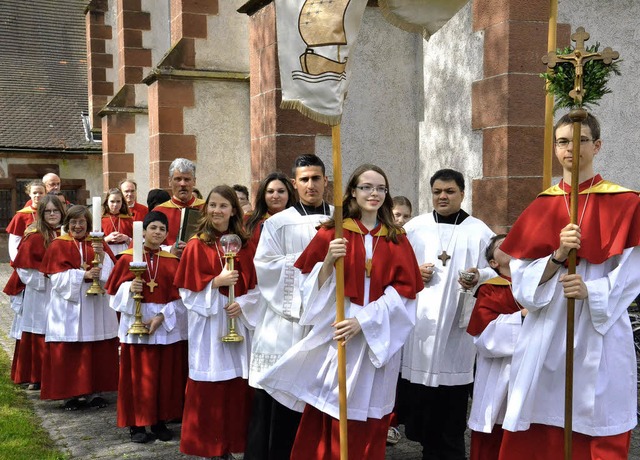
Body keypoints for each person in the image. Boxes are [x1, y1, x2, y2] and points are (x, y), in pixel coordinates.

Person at [498, 113, 640, 459]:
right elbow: (522, 280)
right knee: (541, 425)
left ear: (597, 145)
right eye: (562, 141)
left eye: (580, 140)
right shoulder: (542, 205)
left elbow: (634, 269)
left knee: (595, 423)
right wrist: (558, 255)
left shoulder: (627, 202)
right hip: (548, 330)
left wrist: (593, 291)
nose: (570, 148)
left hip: (598, 328)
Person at [259, 164, 423, 459]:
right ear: (352, 192)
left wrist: (363, 320)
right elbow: (307, 287)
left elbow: (406, 295)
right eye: (366, 187)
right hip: (338, 335)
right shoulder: (331, 233)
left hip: (376, 337)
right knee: (333, 409)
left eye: (380, 188)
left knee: (370, 414)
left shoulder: (397, 238)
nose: (373, 193)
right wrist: (326, 262)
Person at [400, 168, 495, 460]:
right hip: (420, 330)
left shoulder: (479, 230)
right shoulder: (414, 228)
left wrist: (479, 274)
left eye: (450, 191)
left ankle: (450, 453)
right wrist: (413, 273)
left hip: (457, 330)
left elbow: (499, 268)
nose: (443, 196)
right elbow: (393, 267)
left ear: (462, 194)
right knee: (420, 411)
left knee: (451, 408)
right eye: (438, 191)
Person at [244, 154, 333, 460]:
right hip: (286, 325)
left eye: (316, 178)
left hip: (325, 325)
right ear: (295, 183)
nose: (311, 185)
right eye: (304, 179)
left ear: (325, 180)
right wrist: (312, 268)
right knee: (277, 405)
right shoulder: (279, 223)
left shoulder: (341, 219)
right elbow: (266, 268)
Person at [174, 185, 260, 459]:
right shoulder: (197, 245)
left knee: (237, 383)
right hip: (209, 325)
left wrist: (244, 305)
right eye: (212, 205)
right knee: (211, 383)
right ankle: (210, 446)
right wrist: (215, 283)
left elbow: (258, 288)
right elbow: (187, 293)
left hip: (238, 319)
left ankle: (235, 443)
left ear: (234, 209)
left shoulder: (245, 246)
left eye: (223, 206)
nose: (217, 211)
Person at [105, 211, 188, 444]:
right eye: (153, 228)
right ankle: (137, 423)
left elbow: (181, 299)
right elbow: (112, 295)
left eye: (162, 229)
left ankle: (160, 420)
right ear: (143, 231)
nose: (158, 232)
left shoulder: (172, 261)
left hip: (163, 327)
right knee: (138, 377)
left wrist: (161, 317)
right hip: (135, 326)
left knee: (163, 376)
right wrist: (129, 289)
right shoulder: (126, 259)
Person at [39, 205, 119, 410]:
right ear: (67, 223)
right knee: (70, 349)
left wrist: (101, 259)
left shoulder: (98, 243)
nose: (77, 225)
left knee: (96, 347)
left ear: (88, 223)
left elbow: (111, 273)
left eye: (81, 221)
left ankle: (96, 392)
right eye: (73, 222)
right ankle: (70, 394)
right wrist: (83, 275)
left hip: (95, 305)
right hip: (69, 306)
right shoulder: (58, 245)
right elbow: (55, 278)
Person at [466, 234, 527, 460]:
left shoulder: (540, 284)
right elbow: (484, 338)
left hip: (532, 373)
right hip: (498, 375)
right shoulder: (490, 289)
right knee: (494, 439)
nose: (511, 244)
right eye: (503, 246)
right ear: (494, 263)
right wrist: (521, 318)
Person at [10, 196, 66, 390]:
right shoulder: (34, 235)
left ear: (62, 212)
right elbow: (23, 268)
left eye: (56, 211)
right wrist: (44, 281)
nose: (52, 214)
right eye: (48, 211)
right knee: (38, 329)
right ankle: (36, 376)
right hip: (40, 292)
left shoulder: (67, 234)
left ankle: (57, 375)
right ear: (41, 214)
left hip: (62, 291)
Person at [155, 158, 205, 255]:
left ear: (194, 181)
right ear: (170, 181)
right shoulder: (158, 211)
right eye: (178, 179)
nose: (182, 184)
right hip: (171, 265)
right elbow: (149, 244)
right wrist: (170, 250)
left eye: (187, 179)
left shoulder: (207, 208)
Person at [245, 171, 296, 246]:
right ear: (263, 195)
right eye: (270, 191)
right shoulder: (248, 220)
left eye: (281, 191)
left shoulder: (299, 220)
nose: (275, 196)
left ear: (289, 194)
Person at [7, 180, 45, 261]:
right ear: (29, 194)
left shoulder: (51, 213)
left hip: (47, 257)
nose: (38, 195)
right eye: (34, 193)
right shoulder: (21, 215)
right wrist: (16, 260)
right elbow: (14, 241)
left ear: (45, 194)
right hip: (27, 258)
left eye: (41, 193)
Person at [101, 187, 134, 255]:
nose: (115, 204)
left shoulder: (128, 220)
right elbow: (94, 243)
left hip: (125, 251)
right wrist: (108, 238)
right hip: (106, 252)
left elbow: (137, 242)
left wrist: (126, 238)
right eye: (112, 201)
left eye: (118, 201)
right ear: (107, 202)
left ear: (122, 202)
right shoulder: (102, 220)